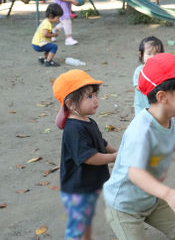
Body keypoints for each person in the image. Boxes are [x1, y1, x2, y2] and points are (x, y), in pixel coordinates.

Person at [103, 53, 175, 240]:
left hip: (149, 198)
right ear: (162, 97)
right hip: (124, 206)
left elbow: (164, 142)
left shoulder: (169, 122)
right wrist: (168, 194)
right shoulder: (141, 131)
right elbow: (135, 173)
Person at [52, 69, 118, 240]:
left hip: (89, 185)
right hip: (78, 189)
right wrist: (114, 158)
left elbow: (100, 142)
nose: (95, 100)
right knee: (77, 228)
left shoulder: (88, 121)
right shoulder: (73, 128)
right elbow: (89, 157)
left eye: (95, 94)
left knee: (85, 223)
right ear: (71, 104)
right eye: (89, 96)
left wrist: (116, 150)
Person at [133, 36, 164, 115]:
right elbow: (137, 86)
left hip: (158, 105)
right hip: (141, 106)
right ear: (141, 54)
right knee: (143, 125)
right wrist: (152, 85)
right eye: (149, 54)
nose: (153, 57)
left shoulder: (161, 70)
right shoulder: (139, 71)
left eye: (156, 54)